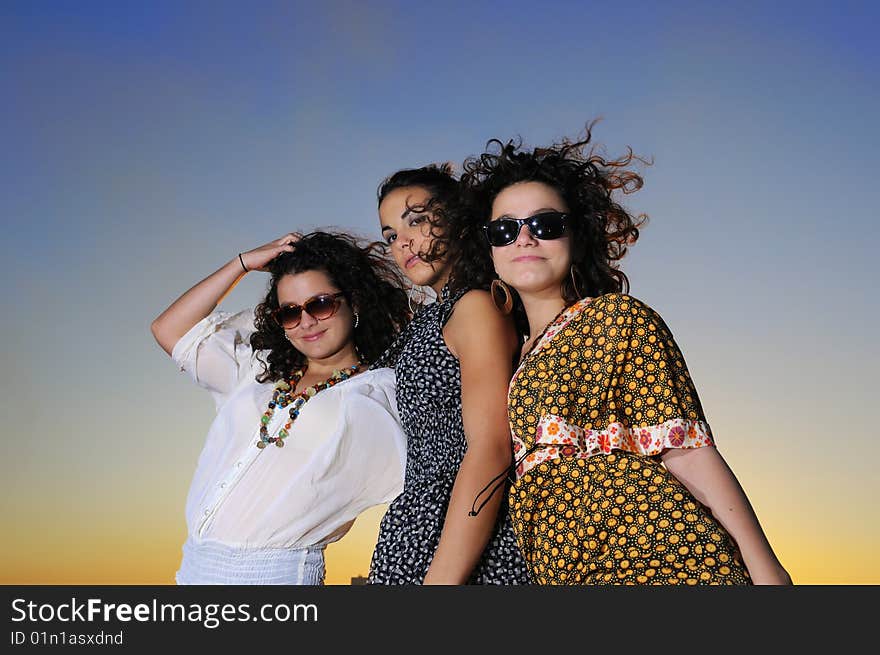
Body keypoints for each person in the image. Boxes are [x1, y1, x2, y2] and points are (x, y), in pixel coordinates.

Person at [460, 124, 793, 585]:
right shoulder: (513, 356)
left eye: (545, 224)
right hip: (567, 569)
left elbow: (686, 447)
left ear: (577, 237)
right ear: (490, 249)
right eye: (505, 229)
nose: (525, 239)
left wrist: (764, 565)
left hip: (654, 556)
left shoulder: (618, 317)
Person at [150, 231, 410, 584]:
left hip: (275, 576)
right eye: (289, 313)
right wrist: (241, 264)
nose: (305, 322)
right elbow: (169, 329)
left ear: (355, 302)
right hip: (192, 570)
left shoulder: (379, 393)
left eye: (320, 304)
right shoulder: (256, 371)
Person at [367, 164, 530, 584]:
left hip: (461, 538)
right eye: (390, 236)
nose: (402, 242)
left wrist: (441, 580)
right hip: (416, 531)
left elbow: (491, 448)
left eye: (416, 220)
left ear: (458, 223)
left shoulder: (474, 305)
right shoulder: (431, 318)